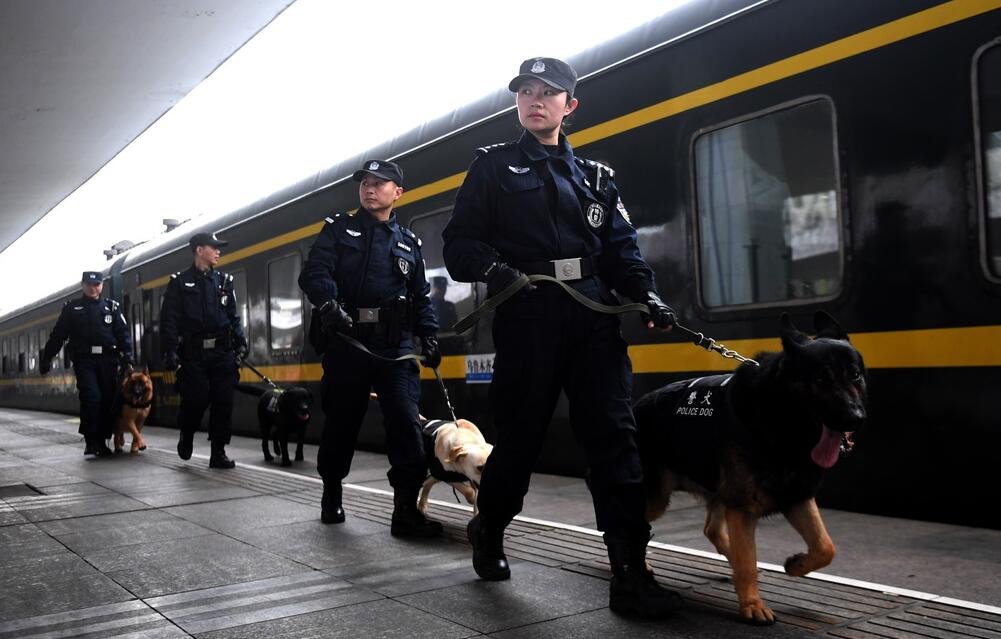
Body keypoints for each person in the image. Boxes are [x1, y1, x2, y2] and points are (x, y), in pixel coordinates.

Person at [442, 57, 682, 617]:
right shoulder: (492, 169)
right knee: (521, 441)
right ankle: (491, 528)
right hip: (528, 320)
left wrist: (647, 295)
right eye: (526, 91)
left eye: (549, 92)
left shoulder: (597, 178)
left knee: (616, 440)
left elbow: (622, 251)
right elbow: (458, 247)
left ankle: (629, 572)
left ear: (570, 107)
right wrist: (495, 269)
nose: (535, 100)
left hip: (593, 320)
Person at [298, 159, 443, 537]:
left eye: (380, 183)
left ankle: (405, 512)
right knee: (342, 424)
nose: (369, 188)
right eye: (365, 182)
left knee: (405, 424)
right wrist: (329, 304)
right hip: (348, 344)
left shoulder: (408, 243)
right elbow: (313, 273)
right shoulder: (338, 230)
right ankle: (332, 492)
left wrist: (429, 336)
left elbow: (420, 296)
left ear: (398, 193)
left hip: (394, 347)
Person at [160, 232, 248, 469]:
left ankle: (218, 452)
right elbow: (169, 320)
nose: (218, 251)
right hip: (193, 353)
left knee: (223, 402)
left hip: (222, 351)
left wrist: (241, 343)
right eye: (214, 247)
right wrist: (170, 352)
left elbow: (233, 317)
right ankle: (186, 433)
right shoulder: (179, 283)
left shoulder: (224, 281)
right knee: (196, 399)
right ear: (200, 250)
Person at [40, 271, 133, 456]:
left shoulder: (112, 308)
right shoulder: (72, 309)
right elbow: (58, 335)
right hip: (85, 361)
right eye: (89, 285)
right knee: (92, 397)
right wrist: (47, 357)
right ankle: (91, 440)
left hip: (108, 360)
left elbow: (123, 333)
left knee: (107, 399)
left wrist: (128, 357)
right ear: (83, 285)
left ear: (102, 286)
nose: (93, 288)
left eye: (97, 285)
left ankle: (102, 440)